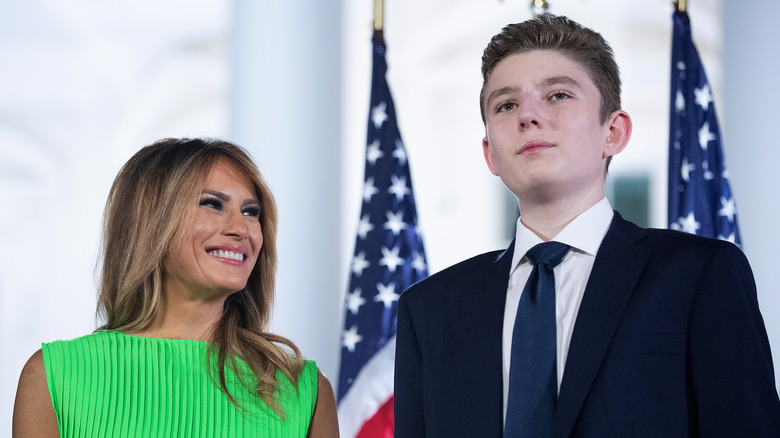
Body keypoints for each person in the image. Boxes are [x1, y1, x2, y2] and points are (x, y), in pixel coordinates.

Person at [394, 13, 780, 437]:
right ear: (490, 154)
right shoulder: (429, 309)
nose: (528, 115)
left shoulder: (700, 275)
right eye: (506, 104)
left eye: (558, 95)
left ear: (613, 132)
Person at [13, 138, 339, 437]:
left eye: (251, 211)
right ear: (152, 221)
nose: (242, 229)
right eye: (212, 204)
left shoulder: (303, 389)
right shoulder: (53, 377)